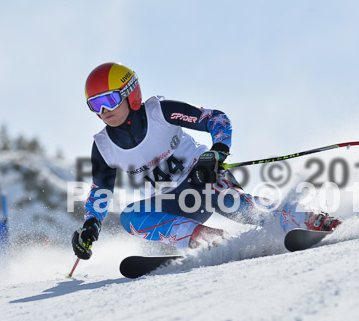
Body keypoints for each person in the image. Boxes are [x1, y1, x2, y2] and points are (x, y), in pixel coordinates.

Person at [72, 62, 339, 260]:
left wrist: (217, 153)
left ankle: (305, 220)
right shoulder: (103, 146)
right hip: (173, 205)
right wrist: (90, 226)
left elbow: (216, 119)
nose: (104, 111)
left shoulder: (160, 112)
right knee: (130, 216)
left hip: (202, 179)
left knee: (231, 201)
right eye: (95, 105)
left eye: (108, 100)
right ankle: (211, 241)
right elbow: (101, 190)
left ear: (131, 93)